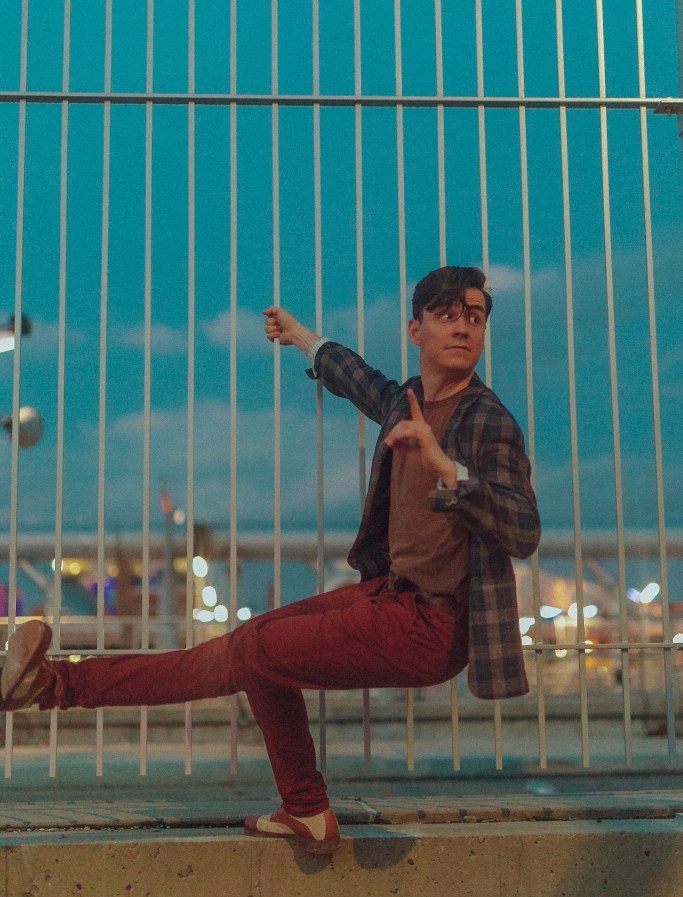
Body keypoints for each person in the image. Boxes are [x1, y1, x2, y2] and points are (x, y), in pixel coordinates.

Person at [1, 265, 540, 855]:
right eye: (447, 315)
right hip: (393, 594)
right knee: (252, 642)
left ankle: (302, 804)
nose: (463, 328)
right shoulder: (406, 402)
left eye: (475, 317)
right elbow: (354, 377)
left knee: (259, 653)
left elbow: (522, 528)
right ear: (416, 330)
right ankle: (56, 684)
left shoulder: (488, 421)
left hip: (435, 625)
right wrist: (300, 335)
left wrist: (446, 468)